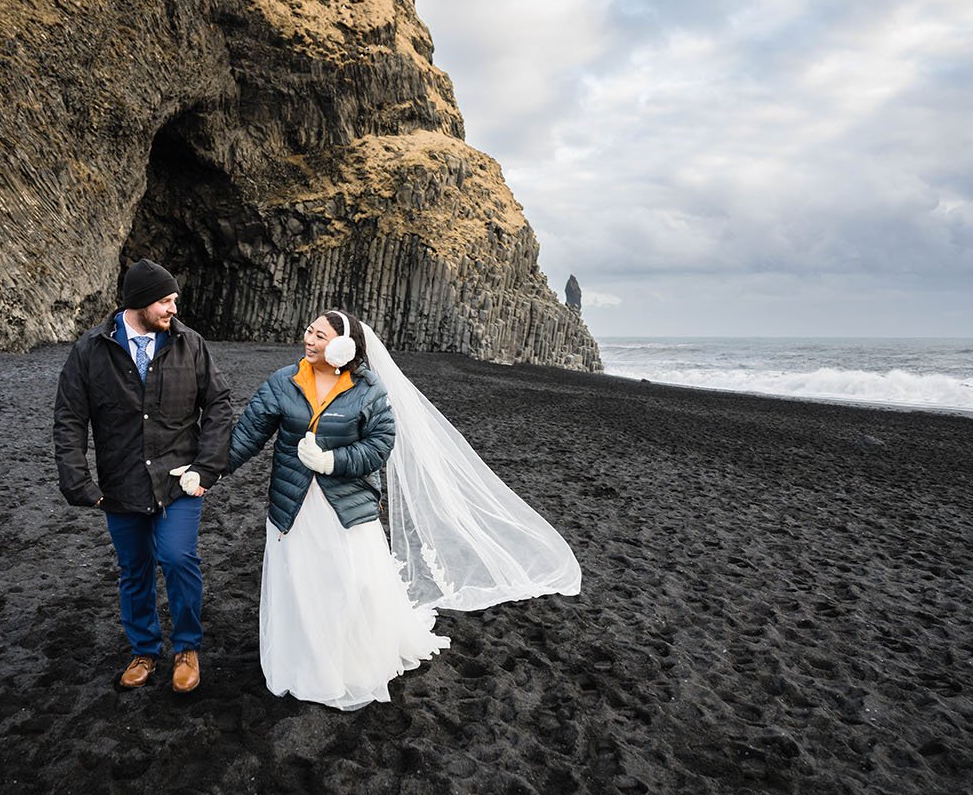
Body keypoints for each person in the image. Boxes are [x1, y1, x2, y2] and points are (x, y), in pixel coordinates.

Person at [228, 310, 581, 710]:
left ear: (344, 346)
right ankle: (307, 662)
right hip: (293, 505)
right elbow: (246, 435)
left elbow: (380, 445)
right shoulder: (284, 382)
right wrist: (209, 471)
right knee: (302, 582)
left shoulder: (368, 390)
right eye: (308, 331)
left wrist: (331, 461)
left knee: (347, 582)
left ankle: (349, 663)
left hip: (347, 508)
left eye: (320, 335)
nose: (308, 340)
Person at [53, 258, 234, 693]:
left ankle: (187, 649)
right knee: (134, 569)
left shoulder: (190, 344)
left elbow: (220, 405)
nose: (173, 308)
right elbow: (70, 418)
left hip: (180, 480)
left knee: (177, 559)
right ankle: (144, 651)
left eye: (174, 299)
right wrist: (77, 482)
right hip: (121, 482)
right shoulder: (91, 350)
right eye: (165, 300)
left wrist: (207, 467)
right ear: (137, 303)